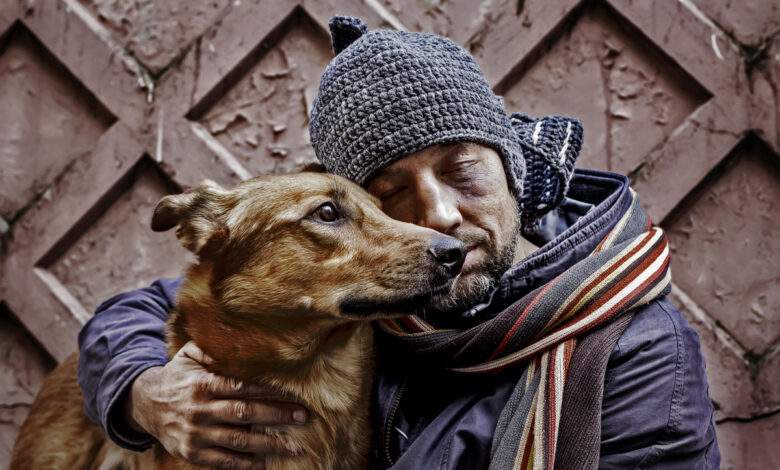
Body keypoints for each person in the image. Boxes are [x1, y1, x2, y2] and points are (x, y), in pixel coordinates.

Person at [77, 16, 720, 469]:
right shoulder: (370, 290)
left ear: (512, 172)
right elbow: (141, 310)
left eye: (462, 172)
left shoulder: (637, 351)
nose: (436, 218)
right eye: (389, 194)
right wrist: (143, 395)